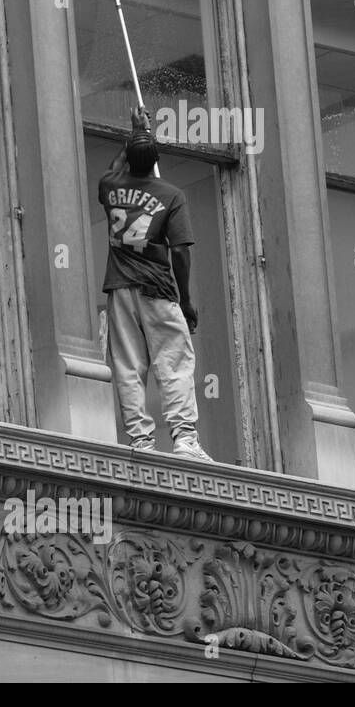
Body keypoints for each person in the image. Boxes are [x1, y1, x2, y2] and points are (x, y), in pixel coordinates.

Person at [98, 108, 214, 462]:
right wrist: (186, 300)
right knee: (173, 360)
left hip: (120, 289)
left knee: (129, 365)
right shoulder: (171, 195)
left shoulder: (110, 187)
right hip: (157, 289)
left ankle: (140, 441)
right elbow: (180, 252)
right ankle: (184, 439)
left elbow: (115, 168)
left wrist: (134, 132)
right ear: (156, 160)